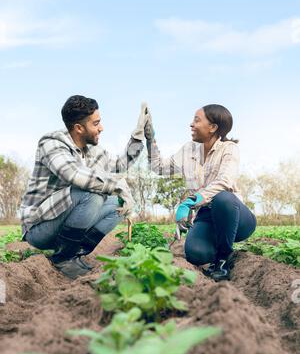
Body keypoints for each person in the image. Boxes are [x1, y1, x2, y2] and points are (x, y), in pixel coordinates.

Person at [20, 95, 150, 279]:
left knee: (117, 205)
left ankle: (74, 254)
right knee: (93, 194)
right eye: (96, 124)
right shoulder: (51, 144)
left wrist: (137, 138)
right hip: (38, 228)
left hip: (63, 223)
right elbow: (74, 175)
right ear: (79, 128)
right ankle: (63, 259)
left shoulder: (92, 150)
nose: (101, 128)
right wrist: (116, 186)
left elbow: (119, 166)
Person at [145, 104, 257, 281]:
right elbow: (158, 168)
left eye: (197, 120)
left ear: (212, 127)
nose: (191, 124)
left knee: (223, 199)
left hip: (234, 214)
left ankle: (222, 259)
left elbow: (224, 181)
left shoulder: (229, 149)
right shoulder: (188, 149)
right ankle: (216, 247)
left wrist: (190, 201)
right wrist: (151, 141)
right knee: (195, 254)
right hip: (207, 214)